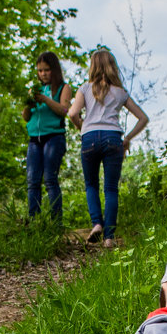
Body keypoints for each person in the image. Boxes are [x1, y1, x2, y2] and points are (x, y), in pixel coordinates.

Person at [67, 49, 148, 245]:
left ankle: (97, 224)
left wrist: (82, 128)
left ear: (93, 66)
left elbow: (72, 113)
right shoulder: (120, 92)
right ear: (112, 66)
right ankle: (109, 237)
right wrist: (127, 138)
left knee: (91, 184)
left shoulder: (85, 89)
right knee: (111, 188)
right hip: (113, 138)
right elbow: (143, 118)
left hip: (90, 137)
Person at [22, 52, 73, 220]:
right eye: (40, 70)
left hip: (53, 137)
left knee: (50, 179)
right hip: (34, 139)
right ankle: (34, 220)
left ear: (54, 70)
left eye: (46, 70)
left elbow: (64, 110)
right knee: (32, 181)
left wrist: (45, 99)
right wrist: (29, 103)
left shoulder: (63, 88)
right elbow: (26, 117)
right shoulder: (33, 89)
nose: (43, 74)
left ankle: (55, 222)